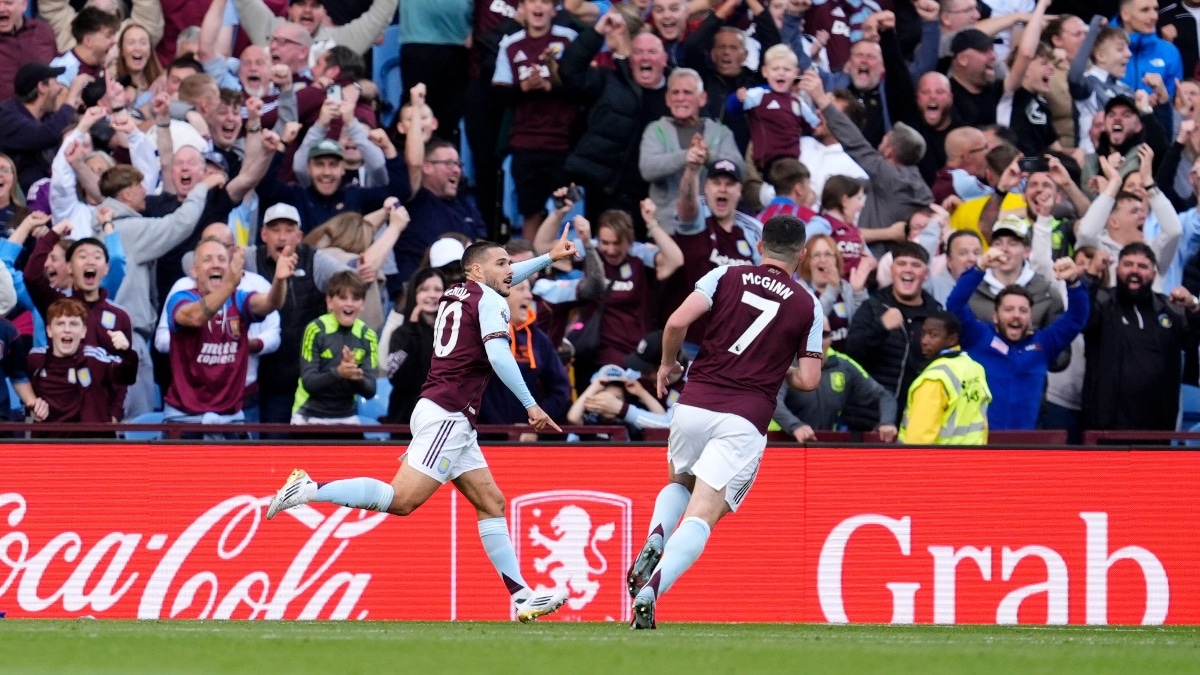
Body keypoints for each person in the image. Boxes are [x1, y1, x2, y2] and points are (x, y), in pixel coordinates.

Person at [266, 232, 580, 623]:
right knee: (402, 500)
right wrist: (530, 404)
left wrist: (548, 257)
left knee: (491, 502)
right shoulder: (491, 301)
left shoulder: (457, 293)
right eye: (502, 264)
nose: (510, 272)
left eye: (510, 265)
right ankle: (309, 489)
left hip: (442, 410)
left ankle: (522, 597)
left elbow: (502, 276)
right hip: (449, 414)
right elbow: (500, 356)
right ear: (477, 270)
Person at [627, 214, 823, 629]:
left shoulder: (725, 275)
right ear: (802, 255)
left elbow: (677, 321)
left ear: (760, 247)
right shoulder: (808, 303)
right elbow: (808, 379)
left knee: (679, 483)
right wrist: (777, 365)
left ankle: (657, 532)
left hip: (694, 404)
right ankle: (652, 590)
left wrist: (667, 364)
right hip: (744, 417)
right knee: (702, 514)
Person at [946, 247, 1089, 430]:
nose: (1016, 315)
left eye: (1023, 310)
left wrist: (1074, 282)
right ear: (995, 317)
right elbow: (955, 306)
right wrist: (979, 267)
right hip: (980, 440)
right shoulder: (978, 336)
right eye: (1008, 309)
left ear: (1030, 318)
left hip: (1025, 442)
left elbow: (1076, 318)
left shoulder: (1042, 345)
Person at [164, 237, 293, 434]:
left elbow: (270, 303)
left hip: (231, 418)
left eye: (222, 259)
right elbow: (195, 317)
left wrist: (279, 280)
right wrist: (230, 283)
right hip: (184, 417)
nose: (216, 264)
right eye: (207, 259)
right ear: (194, 271)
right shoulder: (181, 298)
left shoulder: (239, 299)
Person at [1083, 242, 1200, 430]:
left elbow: (1192, 343)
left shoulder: (1169, 309)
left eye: (1143, 266)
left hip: (1157, 426)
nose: (1134, 271)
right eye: (1128, 264)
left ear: (1154, 275)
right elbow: (1081, 316)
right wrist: (1091, 275)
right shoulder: (1102, 303)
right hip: (1105, 425)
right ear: (1117, 269)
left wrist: (1193, 307)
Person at [844, 242, 942, 419]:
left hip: (914, 419)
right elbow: (851, 354)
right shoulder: (872, 307)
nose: (908, 269)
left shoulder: (937, 314)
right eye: (901, 263)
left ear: (926, 274)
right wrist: (881, 327)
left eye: (916, 265)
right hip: (868, 418)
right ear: (892, 270)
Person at [640, 68, 743, 230]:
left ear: (702, 98)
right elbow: (647, 168)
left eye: (687, 92)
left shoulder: (721, 132)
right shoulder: (656, 130)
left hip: (713, 228)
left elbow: (740, 170)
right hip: (667, 228)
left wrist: (708, 156)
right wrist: (686, 156)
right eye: (675, 92)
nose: (680, 98)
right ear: (667, 99)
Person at [773, 316, 899, 442]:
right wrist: (795, 426)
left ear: (831, 338)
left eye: (823, 334)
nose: (817, 341)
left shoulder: (843, 366)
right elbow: (772, 400)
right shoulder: (783, 363)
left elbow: (884, 396)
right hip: (777, 442)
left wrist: (887, 422)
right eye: (810, 334)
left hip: (821, 443)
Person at [24, 297, 136, 426]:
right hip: (49, 437)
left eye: (73, 324)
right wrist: (32, 407)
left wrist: (127, 352)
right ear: (49, 331)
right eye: (60, 324)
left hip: (90, 437)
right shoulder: (35, 359)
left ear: (84, 331)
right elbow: (23, 390)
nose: (67, 329)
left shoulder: (97, 359)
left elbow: (127, 377)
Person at [478, 277, 571, 430]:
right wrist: (498, 428)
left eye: (529, 290)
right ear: (500, 295)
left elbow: (560, 389)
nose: (529, 296)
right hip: (484, 435)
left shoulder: (540, 340)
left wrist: (536, 423)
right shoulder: (480, 334)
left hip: (527, 436)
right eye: (521, 289)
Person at [292, 270, 379, 426]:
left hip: (347, 416)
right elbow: (309, 382)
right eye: (343, 298)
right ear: (329, 301)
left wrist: (355, 378)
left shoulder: (368, 336)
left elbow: (370, 390)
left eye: (356, 298)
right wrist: (339, 373)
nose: (349, 304)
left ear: (363, 304)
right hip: (308, 414)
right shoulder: (315, 330)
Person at [898, 310, 991, 444]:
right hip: (974, 454)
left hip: (940, 456)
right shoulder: (975, 368)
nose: (924, 341)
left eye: (933, 335)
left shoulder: (934, 378)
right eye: (923, 333)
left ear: (952, 339)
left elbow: (919, 438)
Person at [0, 63, 87, 193]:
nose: (60, 88)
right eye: (56, 82)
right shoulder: (6, 116)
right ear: (42, 87)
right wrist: (71, 97)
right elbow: (45, 135)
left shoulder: (44, 118)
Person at [384, 267, 446, 424]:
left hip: (442, 416)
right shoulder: (401, 333)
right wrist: (411, 330)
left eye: (438, 290)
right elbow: (395, 376)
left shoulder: (453, 332)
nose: (432, 295)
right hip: (405, 417)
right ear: (413, 294)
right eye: (424, 289)